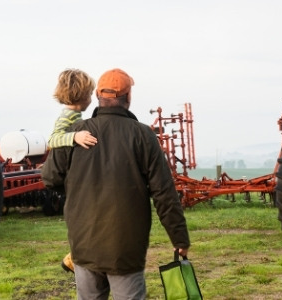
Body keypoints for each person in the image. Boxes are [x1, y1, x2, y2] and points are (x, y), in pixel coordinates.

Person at [42, 68, 190, 299]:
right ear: (128, 97)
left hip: (83, 244)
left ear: (98, 97)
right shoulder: (144, 136)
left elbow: (50, 178)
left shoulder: (75, 133)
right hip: (126, 250)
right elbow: (164, 194)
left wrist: (78, 188)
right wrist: (179, 238)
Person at [47, 68, 97, 273]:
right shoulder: (68, 116)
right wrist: (74, 137)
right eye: (91, 93)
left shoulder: (75, 115)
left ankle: (74, 257)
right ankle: (73, 258)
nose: (92, 98)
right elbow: (52, 139)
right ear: (83, 95)